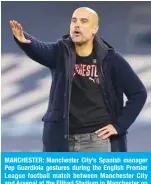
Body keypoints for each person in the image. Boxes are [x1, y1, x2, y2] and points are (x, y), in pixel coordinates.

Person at [10, 7, 147, 152]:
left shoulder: (111, 60)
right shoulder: (60, 52)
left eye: (84, 21)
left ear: (94, 29)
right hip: (62, 140)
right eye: (74, 20)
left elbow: (138, 93)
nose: (77, 24)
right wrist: (24, 40)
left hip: (97, 141)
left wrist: (119, 126)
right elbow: (41, 50)